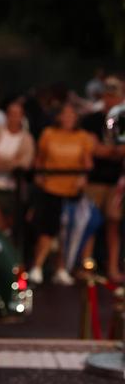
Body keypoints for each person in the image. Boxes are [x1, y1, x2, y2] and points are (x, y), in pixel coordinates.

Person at [28, 102, 95, 285]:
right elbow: (39, 159)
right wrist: (39, 176)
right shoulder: (49, 134)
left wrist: (83, 177)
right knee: (47, 229)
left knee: (67, 231)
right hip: (51, 188)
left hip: (72, 191)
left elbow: (87, 163)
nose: (68, 118)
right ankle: (37, 266)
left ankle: (62, 268)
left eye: (71, 115)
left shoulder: (83, 137)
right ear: (59, 116)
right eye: (64, 114)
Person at [80, 77, 125, 281]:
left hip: (116, 182)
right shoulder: (91, 120)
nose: (111, 100)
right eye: (107, 95)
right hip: (95, 180)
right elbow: (92, 148)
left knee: (113, 224)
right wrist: (113, 151)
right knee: (90, 223)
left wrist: (107, 150)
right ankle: (86, 265)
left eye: (114, 96)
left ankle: (112, 267)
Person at [0, 99, 35, 232]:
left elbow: (25, 163)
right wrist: (12, 161)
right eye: (11, 113)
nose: (14, 117)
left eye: (17, 114)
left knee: (11, 221)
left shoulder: (26, 139)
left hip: (12, 188)